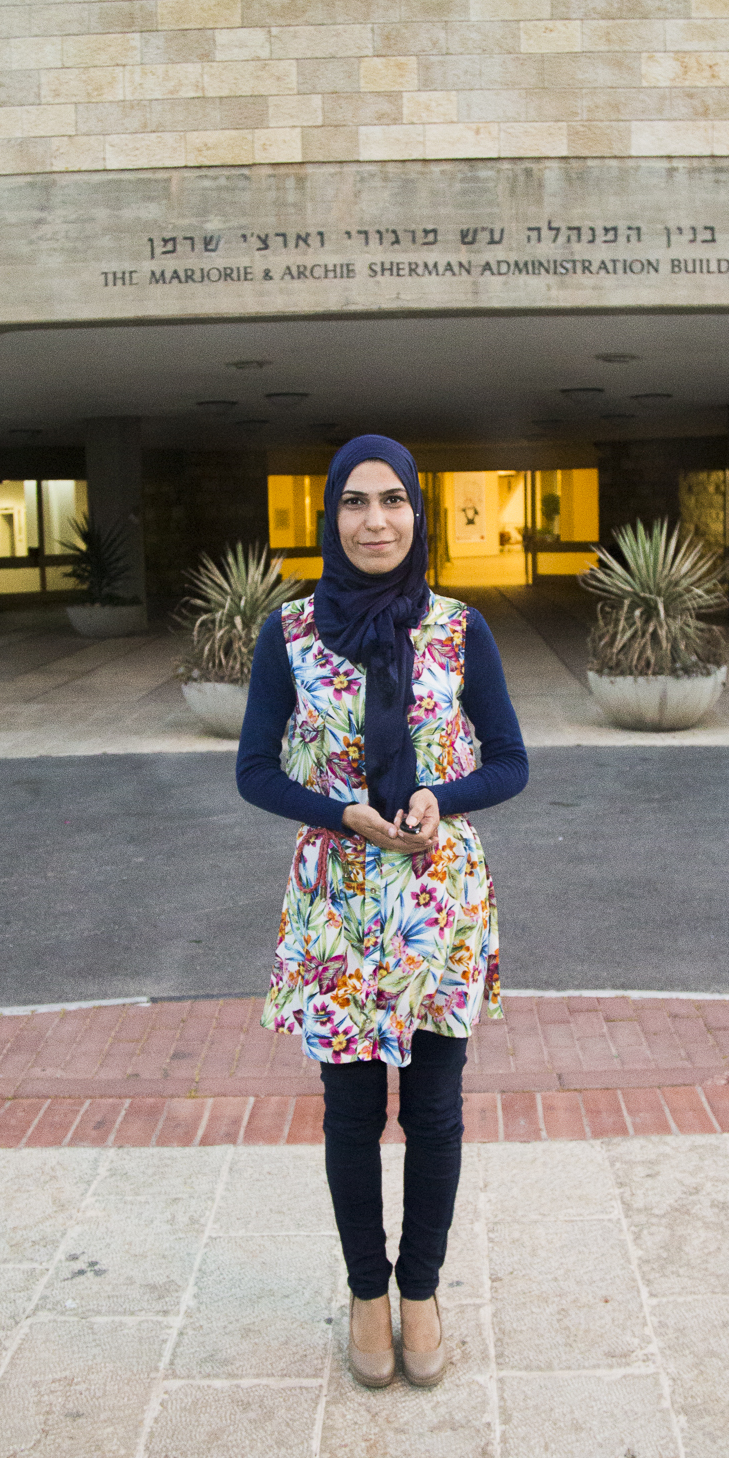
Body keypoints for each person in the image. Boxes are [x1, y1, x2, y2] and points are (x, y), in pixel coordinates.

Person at [236, 434, 528, 1389]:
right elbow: (254, 772)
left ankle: (423, 1292)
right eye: (356, 503)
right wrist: (340, 812)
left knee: (436, 1112)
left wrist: (445, 796)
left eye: (393, 501)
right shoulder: (289, 634)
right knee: (351, 1114)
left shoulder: (458, 628)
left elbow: (511, 760)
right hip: (336, 906)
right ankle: (369, 1293)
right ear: (331, 516)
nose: (375, 521)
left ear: (417, 513)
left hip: (438, 902)